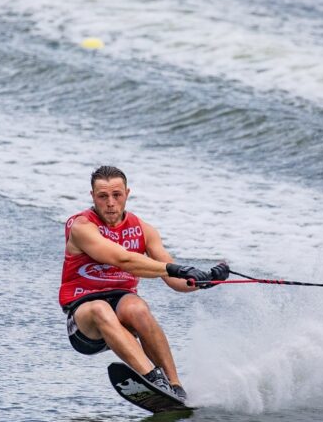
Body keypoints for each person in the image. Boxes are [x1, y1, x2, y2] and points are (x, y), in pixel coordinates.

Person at [59, 165, 229, 401]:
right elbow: (123, 259)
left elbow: (175, 282)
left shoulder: (144, 230)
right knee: (101, 308)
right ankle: (152, 377)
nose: (110, 203)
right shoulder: (82, 227)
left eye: (116, 195)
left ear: (127, 194)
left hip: (121, 308)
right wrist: (175, 268)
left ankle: (175, 387)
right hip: (85, 321)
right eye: (103, 196)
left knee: (137, 308)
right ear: (92, 197)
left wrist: (205, 280)